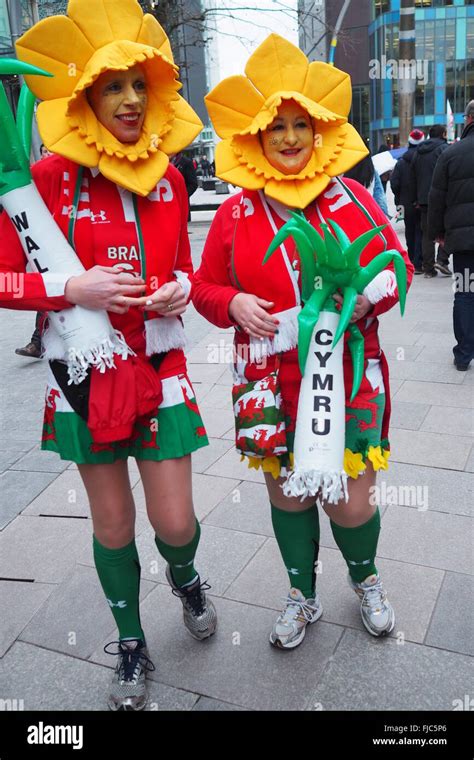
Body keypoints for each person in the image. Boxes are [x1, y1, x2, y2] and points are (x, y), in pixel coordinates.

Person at [0, 0, 216, 710]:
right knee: (114, 525)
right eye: (111, 86)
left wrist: (179, 289)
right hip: (81, 379)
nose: (128, 99)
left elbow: (180, 266)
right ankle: (130, 644)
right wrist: (72, 285)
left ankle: (184, 576)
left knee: (175, 523)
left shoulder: (174, 179)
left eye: (138, 85)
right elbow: (4, 279)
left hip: (162, 370)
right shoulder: (46, 181)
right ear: (85, 98)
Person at [193, 35, 413, 650]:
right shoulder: (235, 214)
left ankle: (365, 578)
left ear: (319, 133)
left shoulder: (355, 201)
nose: (289, 138)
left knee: (348, 501)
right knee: (290, 497)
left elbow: (399, 266)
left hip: (346, 372)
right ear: (256, 140)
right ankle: (301, 593)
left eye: (300, 125)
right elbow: (204, 287)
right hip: (267, 376)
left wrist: (372, 297)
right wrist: (232, 302)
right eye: (276, 128)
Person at [428, 101, 474, 371]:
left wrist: (438, 233)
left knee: (466, 292)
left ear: (468, 119)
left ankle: (464, 353)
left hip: (464, 242)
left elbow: (437, 197)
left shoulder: (451, 154)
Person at [14, 146, 52, 359]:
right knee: (47, 294)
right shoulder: (37, 176)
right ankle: (37, 342)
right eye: (44, 151)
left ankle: (38, 342)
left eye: (49, 151)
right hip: (42, 247)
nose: (47, 155)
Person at [410, 125, 451, 278]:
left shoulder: (418, 152)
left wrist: (416, 198)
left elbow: (413, 176)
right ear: (443, 134)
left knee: (427, 234)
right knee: (447, 228)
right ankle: (442, 259)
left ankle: (428, 268)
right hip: (441, 197)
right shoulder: (444, 149)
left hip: (423, 200)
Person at [390, 129, 424, 274]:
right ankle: (418, 262)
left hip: (404, 203)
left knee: (409, 231)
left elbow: (394, 183)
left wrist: (400, 197)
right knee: (420, 231)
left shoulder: (401, 162)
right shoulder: (424, 160)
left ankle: (410, 258)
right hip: (421, 203)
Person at [344, 152, 389, 217]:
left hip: (346, 213)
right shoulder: (371, 171)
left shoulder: (340, 170)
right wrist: (384, 218)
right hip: (367, 213)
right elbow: (379, 198)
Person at [171, 152, 198, 221]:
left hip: (181, 205)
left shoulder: (186, 162)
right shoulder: (159, 162)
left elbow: (193, 184)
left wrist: (182, 195)